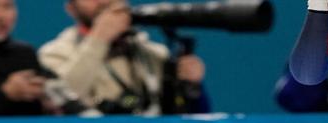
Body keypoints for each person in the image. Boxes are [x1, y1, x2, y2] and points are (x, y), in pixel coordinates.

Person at [39, 0, 211, 115]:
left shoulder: (154, 55)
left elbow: (191, 120)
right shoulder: (53, 55)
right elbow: (60, 102)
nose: (104, 2)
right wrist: (99, 40)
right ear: (70, 8)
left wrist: (194, 87)